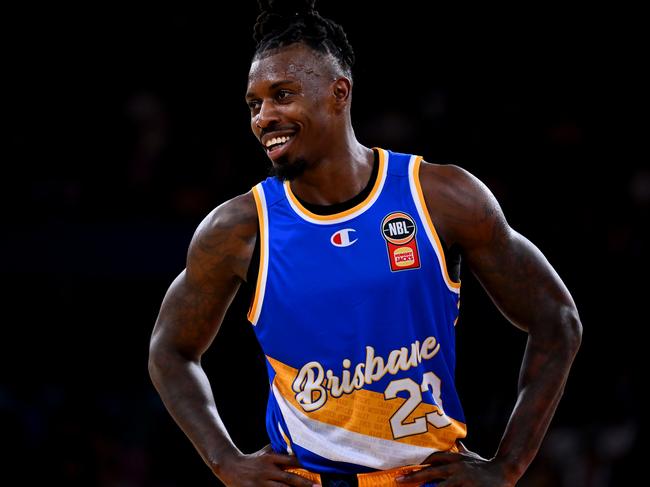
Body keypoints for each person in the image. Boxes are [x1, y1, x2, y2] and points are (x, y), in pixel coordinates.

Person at [148, 1, 582, 485]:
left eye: (283, 95)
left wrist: (509, 465)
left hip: (423, 476)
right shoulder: (238, 228)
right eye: (255, 104)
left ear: (339, 93)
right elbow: (170, 350)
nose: (264, 117)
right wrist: (223, 460)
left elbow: (557, 319)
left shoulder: (441, 197)